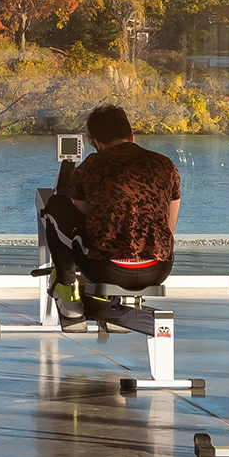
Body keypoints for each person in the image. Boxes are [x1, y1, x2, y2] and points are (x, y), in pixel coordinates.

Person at [54, 104, 181, 320]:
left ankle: (65, 286)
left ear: (96, 143)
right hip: (159, 269)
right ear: (131, 137)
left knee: (56, 205)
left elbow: (83, 213)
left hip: (107, 269)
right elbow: (170, 225)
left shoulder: (90, 166)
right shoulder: (166, 165)